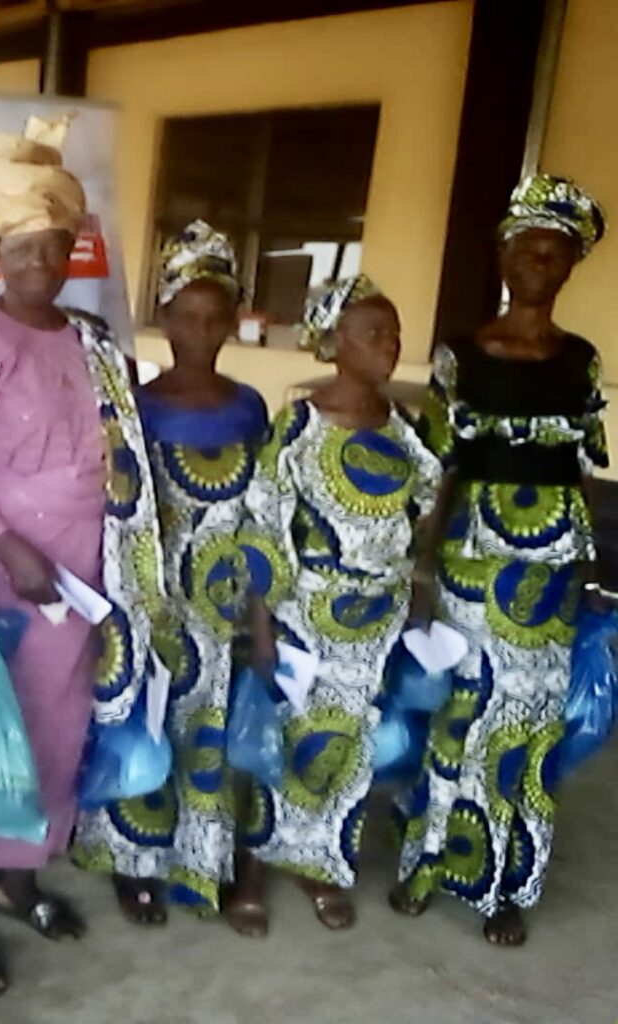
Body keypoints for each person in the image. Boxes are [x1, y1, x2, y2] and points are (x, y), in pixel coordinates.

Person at [0, 115, 166, 997]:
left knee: (61, 736)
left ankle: (20, 883)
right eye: (22, 248)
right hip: (6, 573)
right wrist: (5, 548)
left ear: (72, 253)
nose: (39, 263)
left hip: (85, 574)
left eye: (53, 248)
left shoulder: (90, 340)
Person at [392, 174, 609, 947]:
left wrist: (589, 570)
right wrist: (421, 571)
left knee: (527, 723)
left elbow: (585, 467)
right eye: (524, 251)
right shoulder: (462, 355)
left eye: (552, 255)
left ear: (569, 268)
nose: (535, 266)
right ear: (503, 257)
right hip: (473, 559)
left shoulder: (581, 361)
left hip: (551, 568)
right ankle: (429, 863)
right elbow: (438, 468)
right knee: (462, 710)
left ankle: (506, 887)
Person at [71, 220, 271, 934]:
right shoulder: (140, 408)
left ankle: (199, 861)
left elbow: (263, 512)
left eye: (216, 318)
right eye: (187, 317)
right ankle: (133, 864)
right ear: (165, 319)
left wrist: (258, 610)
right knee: (147, 722)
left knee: (208, 730)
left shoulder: (249, 406)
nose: (202, 332)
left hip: (223, 601)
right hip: (155, 596)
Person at [242, 275, 442, 929]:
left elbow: (425, 508)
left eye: (395, 333)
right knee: (285, 740)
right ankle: (252, 871)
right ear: (333, 343)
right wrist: (263, 630)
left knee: (349, 748)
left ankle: (320, 865)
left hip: (376, 624)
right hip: (306, 615)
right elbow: (264, 531)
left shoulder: (407, 429)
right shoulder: (298, 427)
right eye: (373, 333)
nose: (390, 344)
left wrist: (415, 586)